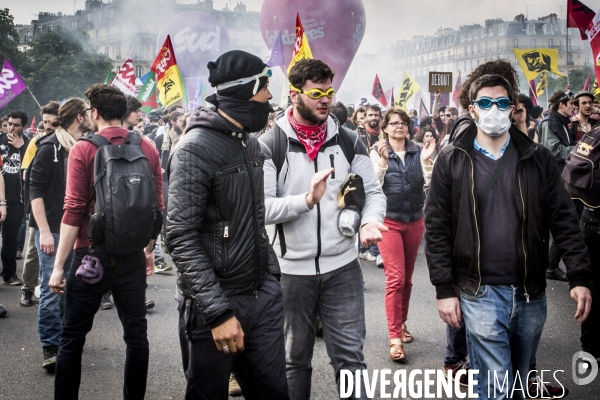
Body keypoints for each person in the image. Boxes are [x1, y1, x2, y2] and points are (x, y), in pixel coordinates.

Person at [425, 74, 592, 400]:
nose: (494, 109)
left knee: (519, 380)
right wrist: (444, 289)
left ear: (512, 107)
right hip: (480, 293)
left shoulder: (537, 157)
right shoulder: (452, 158)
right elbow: (437, 228)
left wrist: (580, 275)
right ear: (473, 109)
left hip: (530, 294)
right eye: (485, 102)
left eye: (501, 102)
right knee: (494, 387)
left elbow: (564, 219)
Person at [259, 58, 387, 400]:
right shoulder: (270, 145)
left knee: (350, 359)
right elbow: (262, 208)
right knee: (294, 359)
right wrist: (306, 200)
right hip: (290, 272)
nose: (326, 99)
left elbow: (372, 192)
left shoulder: (348, 140)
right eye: (316, 92)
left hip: (343, 267)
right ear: (295, 93)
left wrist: (372, 219)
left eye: (330, 91)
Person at [165, 50, 288, 399]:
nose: (269, 98)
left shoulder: (251, 145)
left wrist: (270, 280)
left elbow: (254, 220)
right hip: (213, 305)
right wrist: (218, 313)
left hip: (261, 296)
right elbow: (179, 236)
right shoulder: (194, 148)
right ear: (244, 92)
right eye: (264, 90)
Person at [49, 84, 163, 399]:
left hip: (90, 255)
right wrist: (149, 249)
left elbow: (72, 210)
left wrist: (58, 266)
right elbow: (157, 207)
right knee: (137, 337)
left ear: (94, 113)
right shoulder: (148, 146)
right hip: (131, 256)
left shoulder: (83, 149)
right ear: (124, 112)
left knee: (72, 338)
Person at [30, 98, 89, 370]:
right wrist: (43, 232)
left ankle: (66, 341)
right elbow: (35, 191)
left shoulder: (84, 147)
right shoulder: (49, 146)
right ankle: (50, 347)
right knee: (53, 290)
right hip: (52, 229)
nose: (90, 117)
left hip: (76, 229)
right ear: (79, 117)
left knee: (73, 290)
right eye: (87, 113)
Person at [370, 108, 434, 361]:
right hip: (389, 222)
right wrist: (384, 163)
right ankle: (395, 337)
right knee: (395, 279)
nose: (399, 126)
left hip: (415, 221)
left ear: (409, 127)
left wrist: (427, 161)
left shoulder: (418, 150)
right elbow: (372, 185)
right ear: (385, 128)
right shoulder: (376, 152)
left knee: (407, 279)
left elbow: (429, 183)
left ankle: (403, 323)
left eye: (403, 123)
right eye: (393, 123)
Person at [19, 101, 60, 307]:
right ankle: (27, 289)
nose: (46, 126)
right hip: (39, 207)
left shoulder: (67, 142)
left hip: (60, 210)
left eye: (51, 122)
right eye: (44, 122)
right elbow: (27, 175)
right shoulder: (37, 143)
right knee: (33, 252)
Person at [538, 90, 576, 282]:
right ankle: (550, 266)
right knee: (562, 223)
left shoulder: (562, 123)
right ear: (561, 105)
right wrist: (580, 149)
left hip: (566, 178)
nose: (574, 107)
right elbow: (554, 150)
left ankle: (551, 265)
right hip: (556, 181)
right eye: (571, 104)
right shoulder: (548, 124)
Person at [1, 110, 30, 286]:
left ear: (24, 127)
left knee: (11, 239)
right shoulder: (0, 140)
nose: (11, 127)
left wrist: (22, 148)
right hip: (0, 198)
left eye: (16, 125)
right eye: (10, 124)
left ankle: (9, 274)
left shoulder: (29, 143)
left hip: (17, 199)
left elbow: (35, 167)